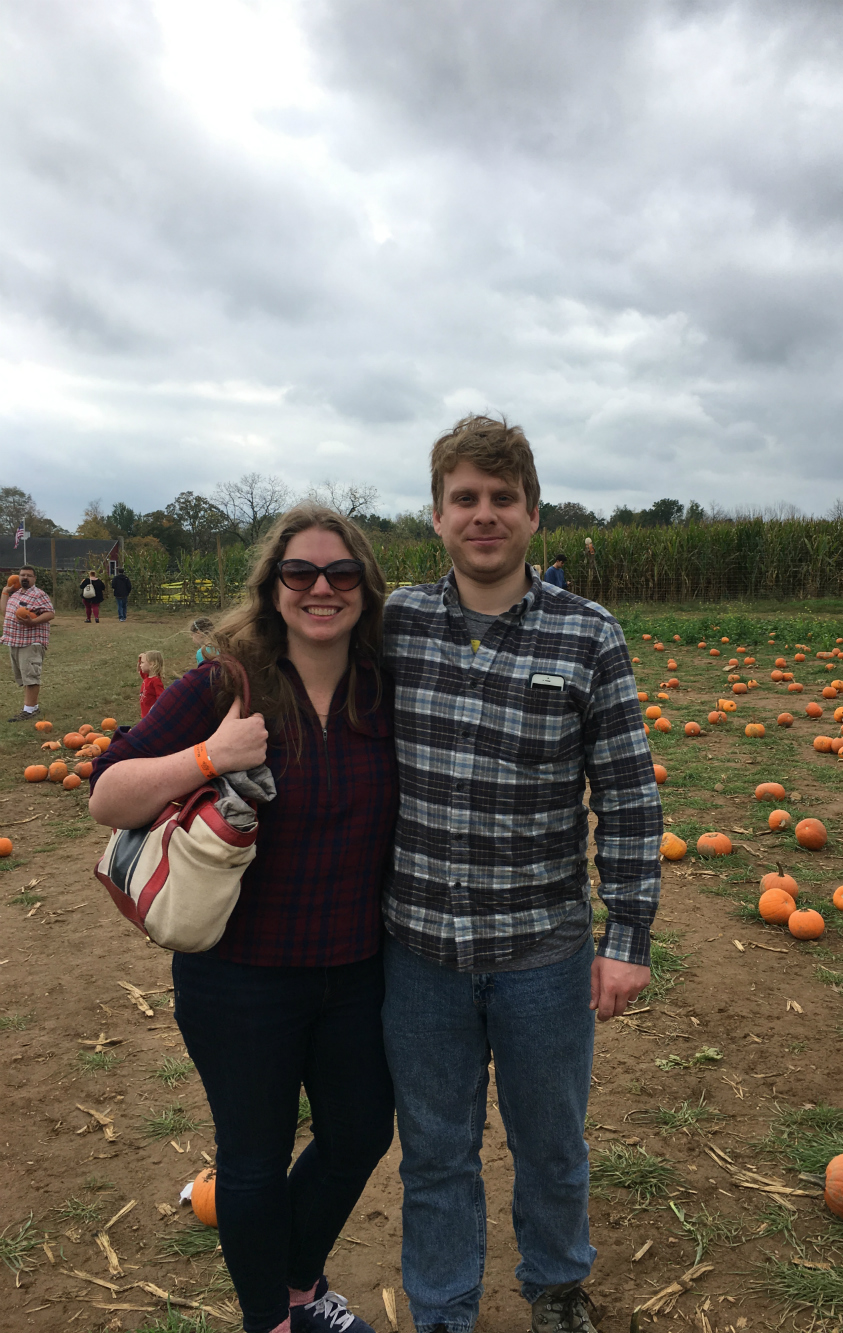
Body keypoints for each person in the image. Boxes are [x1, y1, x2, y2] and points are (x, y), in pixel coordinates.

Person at [381, 416, 663, 1333]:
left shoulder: (590, 636)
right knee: (434, 1151)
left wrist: (627, 938)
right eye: (466, 498)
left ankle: (554, 1289)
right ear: (437, 517)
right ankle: (443, 1311)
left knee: (550, 1143)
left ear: (534, 514)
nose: (485, 514)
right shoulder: (394, 628)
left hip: (542, 950)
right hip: (418, 950)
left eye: (503, 498)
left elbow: (626, 794)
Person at [89, 504, 398, 1333]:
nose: (321, 588)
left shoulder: (385, 687)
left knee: (360, 1134)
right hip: (240, 977)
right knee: (254, 1159)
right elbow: (106, 794)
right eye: (301, 572)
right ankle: (273, 1318)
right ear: (273, 587)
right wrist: (209, 756)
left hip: (358, 969)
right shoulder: (226, 684)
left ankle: (299, 1285)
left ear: (366, 589)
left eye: (341, 573)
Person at [2, 566, 56, 722]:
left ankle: (30, 709)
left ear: (34, 579)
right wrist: (5, 592)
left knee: (31, 675)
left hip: (31, 641)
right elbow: (5, 613)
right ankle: (32, 707)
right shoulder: (16, 594)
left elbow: (50, 613)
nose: (25, 578)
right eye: (22, 575)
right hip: (16, 641)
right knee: (24, 676)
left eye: (28, 575)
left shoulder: (38, 594)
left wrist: (33, 622)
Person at [138, 650, 165, 717]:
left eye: (142, 662)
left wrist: (155, 709)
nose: (140, 665)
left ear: (152, 664)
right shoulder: (146, 677)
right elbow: (139, 670)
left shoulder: (155, 681)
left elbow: (161, 698)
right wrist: (139, 660)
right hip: (145, 715)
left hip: (152, 716)